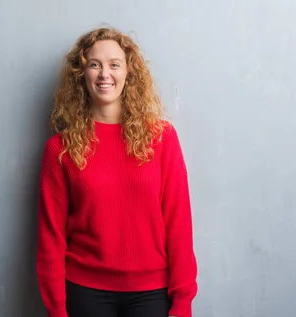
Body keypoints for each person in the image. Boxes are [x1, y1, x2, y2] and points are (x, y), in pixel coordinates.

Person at [35, 27, 198, 317]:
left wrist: (183, 301)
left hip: (152, 294)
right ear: (81, 74)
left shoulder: (162, 139)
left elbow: (179, 223)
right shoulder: (59, 149)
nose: (104, 74)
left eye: (114, 64)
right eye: (94, 64)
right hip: (85, 293)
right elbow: (51, 238)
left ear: (128, 72)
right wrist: (57, 311)